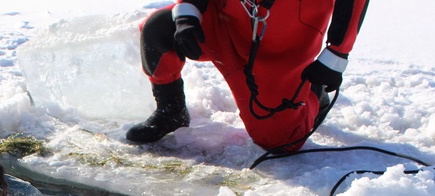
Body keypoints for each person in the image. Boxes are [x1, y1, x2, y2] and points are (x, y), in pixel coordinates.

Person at [125, 0, 369, 152]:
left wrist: (336, 54)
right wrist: (188, 14)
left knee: (280, 142)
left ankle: (313, 93)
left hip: (282, 50)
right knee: (158, 29)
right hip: (225, 23)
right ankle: (171, 112)